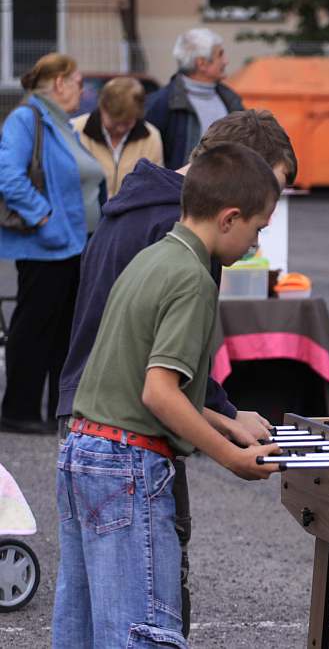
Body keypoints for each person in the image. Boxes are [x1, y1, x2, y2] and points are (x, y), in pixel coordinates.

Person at [55, 108, 297, 638]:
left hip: (85, 446)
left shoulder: (155, 253)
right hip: (128, 458)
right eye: (258, 225)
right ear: (229, 213)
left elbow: (132, 367)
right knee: (140, 629)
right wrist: (231, 454)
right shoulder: (188, 272)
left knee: (80, 627)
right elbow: (158, 391)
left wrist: (226, 417)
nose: (258, 244)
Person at [0, 53, 105, 435]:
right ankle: (19, 410)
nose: (84, 89)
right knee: (34, 329)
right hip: (48, 246)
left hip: (73, 245)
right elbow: (7, 174)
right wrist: (44, 217)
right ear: (59, 83)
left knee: (63, 332)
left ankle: (58, 410)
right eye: (79, 81)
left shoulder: (61, 124)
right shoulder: (26, 118)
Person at [145, 28, 244, 170]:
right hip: (181, 191)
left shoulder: (231, 100)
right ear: (202, 63)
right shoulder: (161, 105)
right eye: (220, 55)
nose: (226, 61)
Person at [71, 77, 163, 197]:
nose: (120, 129)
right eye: (115, 121)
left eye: (127, 122)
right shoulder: (74, 130)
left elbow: (155, 186)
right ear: (102, 108)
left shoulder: (151, 137)